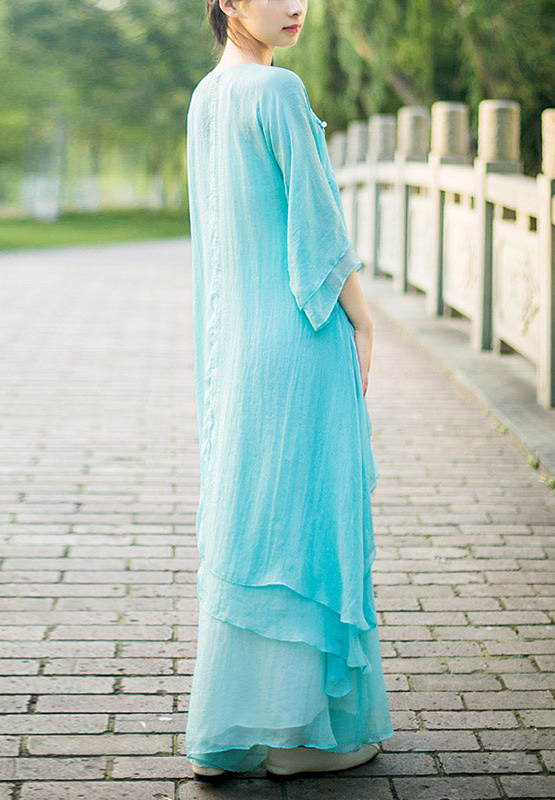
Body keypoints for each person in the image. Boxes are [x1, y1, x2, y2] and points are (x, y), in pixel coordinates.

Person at [184, 0, 394, 783]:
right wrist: (366, 326)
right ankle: (302, 740)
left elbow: (214, 240)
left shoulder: (208, 96)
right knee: (305, 525)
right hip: (299, 343)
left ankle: (241, 723)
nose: (294, 4)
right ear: (229, 4)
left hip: (239, 345)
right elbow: (318, 231)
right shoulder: (278, 93)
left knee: (255, 520)